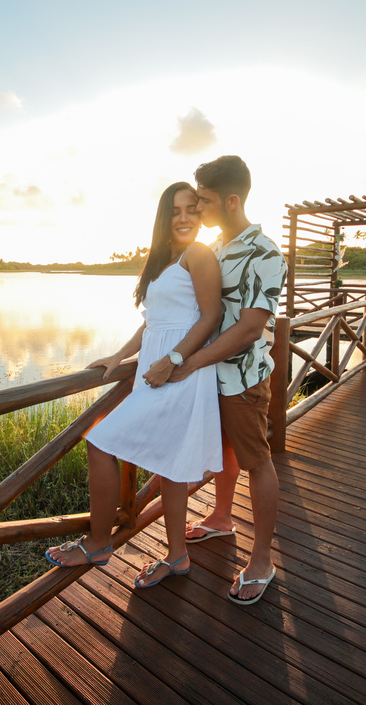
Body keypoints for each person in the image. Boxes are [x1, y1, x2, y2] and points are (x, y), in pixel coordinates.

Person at [46, 182, 223, 589]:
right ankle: (177, 557)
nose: (184, 218)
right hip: (156, 369)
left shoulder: (199, 254)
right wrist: (118, 357)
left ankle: (98, 542)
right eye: (176, 210)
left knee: (101, 441)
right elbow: (151, 324)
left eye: (193, 210)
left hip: (181, 372)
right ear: (164, 217)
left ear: (201, 216)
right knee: (171, 468)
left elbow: (210, 318)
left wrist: (173, 360)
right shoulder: (166, 261)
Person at [168, 155, 287, 605]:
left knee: (257, 460)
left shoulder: (266, 253)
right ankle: (221, 517)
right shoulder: (215, 248)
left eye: (205, 200)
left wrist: (193, 360)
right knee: (224, 450)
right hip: (205, 376)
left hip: (241, 378)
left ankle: (261, 560)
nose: (197, 207)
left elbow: (251, 327)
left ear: (232, 200)